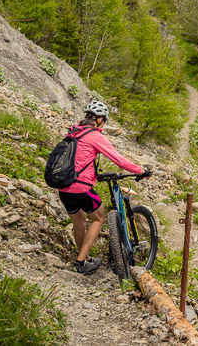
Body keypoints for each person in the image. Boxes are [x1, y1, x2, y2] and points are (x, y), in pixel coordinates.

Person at [58, 100, 151, 274]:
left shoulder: (74, 132)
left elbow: (79, 159)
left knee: (80, 223)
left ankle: (86, 258)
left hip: (64, 187)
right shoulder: (94, 136)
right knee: (99, 218)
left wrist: (95, 175)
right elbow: (119, 160)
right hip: (81, 188)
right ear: (100, 119)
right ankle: (80, 262)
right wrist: (141, 171)